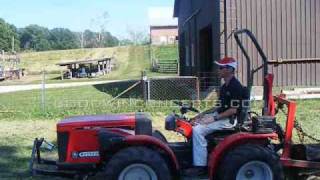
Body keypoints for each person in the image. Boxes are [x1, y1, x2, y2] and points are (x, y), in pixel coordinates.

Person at [184, 57, 244, 175]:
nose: (218, 70)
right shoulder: (224, 87)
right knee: (193, 123)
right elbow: (218, 106)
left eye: (221, 68)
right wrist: (202, 114)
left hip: (228, 120)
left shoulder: (236, 87)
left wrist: (213, 118)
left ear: (230, 70)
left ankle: (200, 167)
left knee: (198, 130)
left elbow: (233, 110)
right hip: (221, 115)